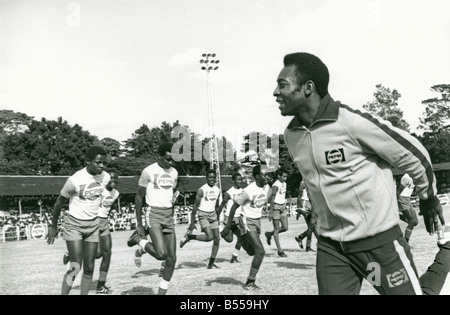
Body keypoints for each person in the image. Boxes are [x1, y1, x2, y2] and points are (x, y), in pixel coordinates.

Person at [274, 52, 449, 295]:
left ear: (308, 88)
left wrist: (429, 197)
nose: (275, 92)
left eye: (282, 85)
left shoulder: (351, 123)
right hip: (333, 251)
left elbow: (415, 154)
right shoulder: (292, 136)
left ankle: (447, 256)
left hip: (378, 248)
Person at [46, 146, 110, 295]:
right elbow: (58, 203)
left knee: (89, 267)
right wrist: (53, 226)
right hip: (74, 225)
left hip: (93, 225)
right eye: (98, 162)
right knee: (75, 267)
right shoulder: (75, 180)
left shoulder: (105, 177)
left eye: (104, 163)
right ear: (88, 161)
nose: (102, 166)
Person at [126, 142, 179, 295]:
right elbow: (138, 198)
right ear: (160, 156)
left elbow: (170, 194)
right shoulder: (148, 171)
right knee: (161, 254)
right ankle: (138, 240)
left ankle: (161, 293)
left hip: (168, 214)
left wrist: (171, 213)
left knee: (172, 258)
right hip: (153, 213)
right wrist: (140, 225)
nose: (170, 163)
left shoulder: (174, 172)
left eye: (172, 160)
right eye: (168, 159)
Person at [222, 164, 271, 291]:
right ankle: (250, 282)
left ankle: (237, 232)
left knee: (251, 252)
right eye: (265, 174)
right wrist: (227, 225)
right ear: (257, 176)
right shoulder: (248, 191)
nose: (267, 176)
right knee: (260, 251)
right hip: (246, 220)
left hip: (257, 221)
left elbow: (270, 197)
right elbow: (233, 207)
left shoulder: (267, 188)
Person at [179, 169, 221, 269]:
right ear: (206, 178)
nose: (212, 179)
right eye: (210, 177)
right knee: (209, 237)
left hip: (213, 215)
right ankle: (190, 237)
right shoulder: (202, 190)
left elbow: (216, 205)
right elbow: (195, 206)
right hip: (203, 214)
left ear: (216, 179)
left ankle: (211, 262)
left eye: (213, 177)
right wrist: (192, 223)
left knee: (217, 239)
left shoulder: (217, 190)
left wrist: (217, 217)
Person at [93, 169, 120, 293]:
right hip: (94, 221)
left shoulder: (116, 193)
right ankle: (73, 252)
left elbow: (107, 209)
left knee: (107, 253)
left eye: (115, 178)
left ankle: (100, 286)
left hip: (104, 222)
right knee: (98, 254)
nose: (113, 180)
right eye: (111, 178)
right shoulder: (100, 190)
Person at [217, 172, 244, 263]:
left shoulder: (243, 191)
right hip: (230, 218)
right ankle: (220, 228)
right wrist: (216, 217)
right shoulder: (229, 192)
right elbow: (221, 205)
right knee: (229, 239)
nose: (240, 181)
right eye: (238, 179)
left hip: (239, 218)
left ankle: (234, 256)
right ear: (233, 181)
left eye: (241, 179)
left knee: (242, 238)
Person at [264, 168, 289, 257]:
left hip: (283, 206)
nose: (285, 178)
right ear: (279, 176)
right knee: (277, 229)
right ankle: (280, 250)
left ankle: (269, 234)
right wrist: (271, 211)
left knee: (285, 227)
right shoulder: (276, 185)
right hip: (276, 207)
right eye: (284, 176)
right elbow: (272, 197)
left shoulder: (284, 184)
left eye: (286, 176)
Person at [294, 180, 318, 252]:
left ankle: (301, 238)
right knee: (312, 225)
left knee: (312, 226)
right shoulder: (303, 182)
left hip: (311, 202)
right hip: (306, 203)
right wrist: (299, 207)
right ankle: (309, 246)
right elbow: (299, 195)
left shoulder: (311, 179)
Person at [397, 173, 418, 243]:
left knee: (415, 222)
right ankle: (405, 242)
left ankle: (396, 216)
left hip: (407, 199)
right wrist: (394, 202)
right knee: (412, 221)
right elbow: (398, 191)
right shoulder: (407, 177)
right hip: (402, 198)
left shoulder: (414, 176)